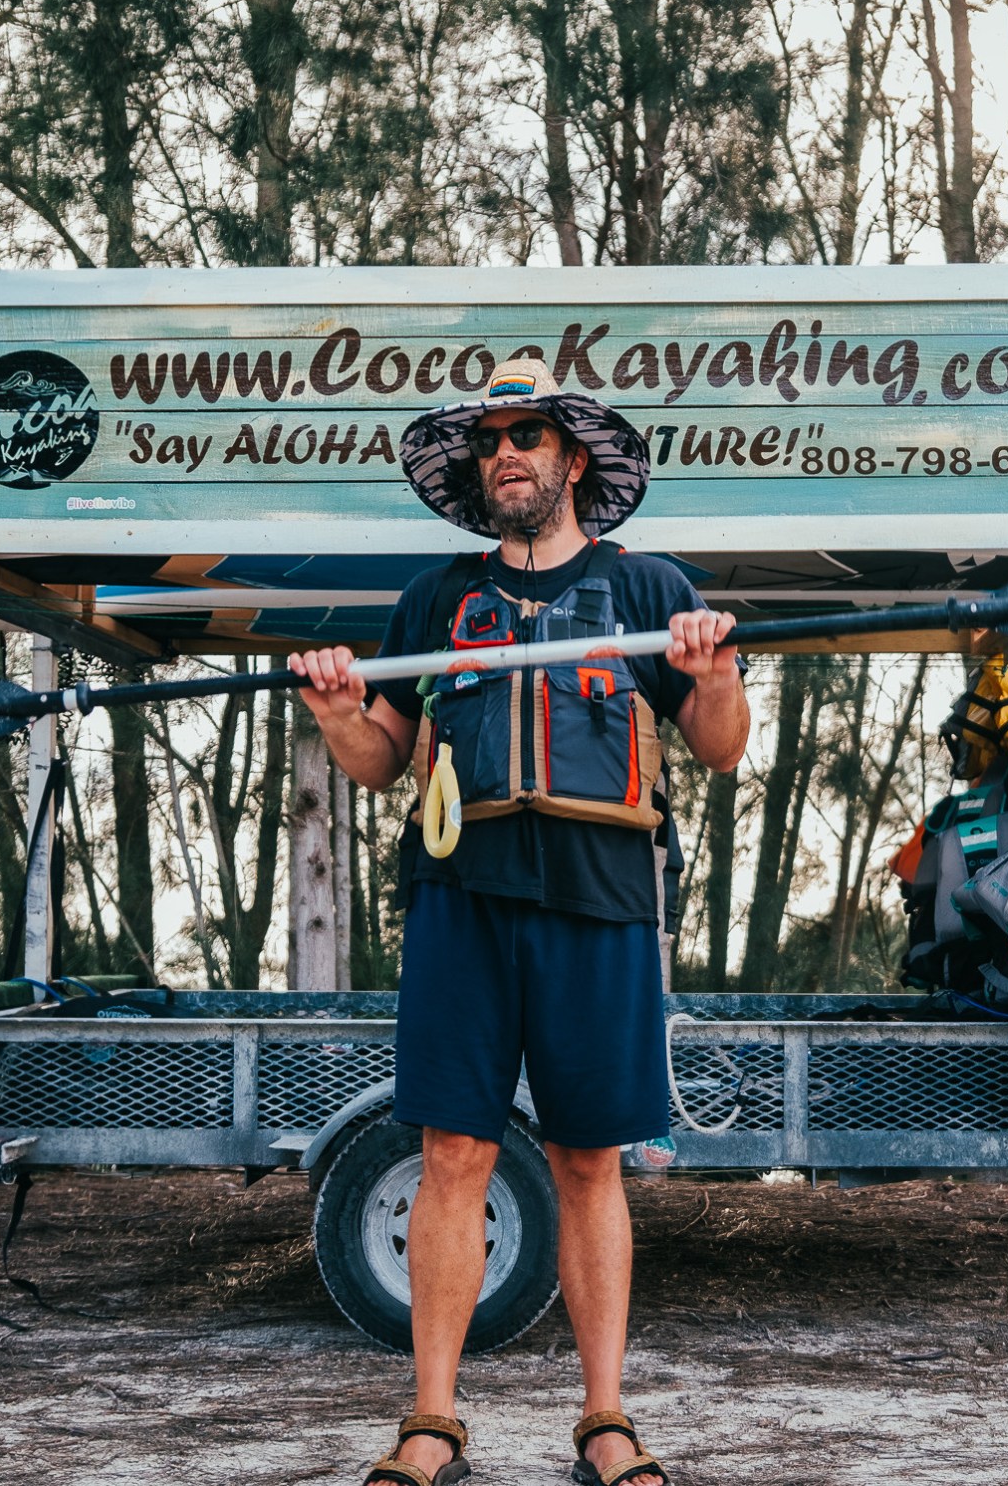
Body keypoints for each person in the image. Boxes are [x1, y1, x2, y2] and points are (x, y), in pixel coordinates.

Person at [289, 357, 749, 1486]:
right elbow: (379, 762)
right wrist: (343, 711)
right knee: (453, 1152)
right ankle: (432, 1421)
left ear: (572, 458)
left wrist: (719, 670)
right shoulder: (438, 603)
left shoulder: (649, 593)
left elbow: (721, 746)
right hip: (463, 903)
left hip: (602, 903)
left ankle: (605, 1420)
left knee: (591, 1161)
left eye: (529, 434)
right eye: (491, 440)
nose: (507, 453)